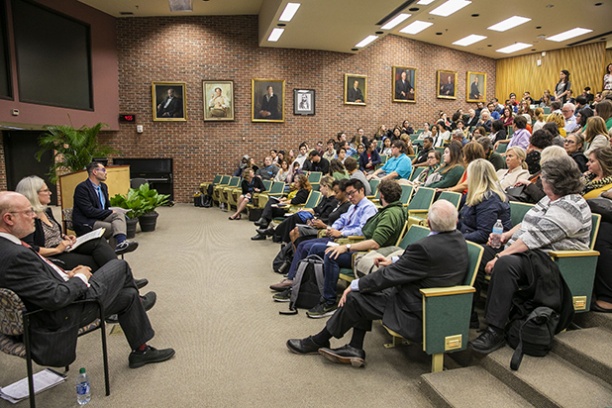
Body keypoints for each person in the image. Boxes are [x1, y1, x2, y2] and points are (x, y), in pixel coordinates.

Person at [0, 191, 175, 369]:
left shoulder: (9, 247)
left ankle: (141, 351)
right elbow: (56, 298)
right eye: (28, 212)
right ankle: (140, 301)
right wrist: (80, 276)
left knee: (127, 295)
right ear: (9, 218)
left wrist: (67, 273)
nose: (33, 216)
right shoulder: (15, 255)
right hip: (65, 313)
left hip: (62, 296)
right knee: (119, 267)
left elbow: (36, 282)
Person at [285, 200, 468, 367]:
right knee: (367, 292)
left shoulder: (425, 248)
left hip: (415, 310)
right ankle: (353, 347)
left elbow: (388, 276)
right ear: (456, 220)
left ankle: (320, 340)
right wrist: (395, 259)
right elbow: (425, 262)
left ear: (428, 222)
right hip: (437, 303)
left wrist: (355, 284)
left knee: (358, 295)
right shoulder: (459, 239)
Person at [470, 156, 591, 354]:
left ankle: (495, 330)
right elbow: (527, 224)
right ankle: (469, 313)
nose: (539, 180)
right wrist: (506, 236)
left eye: (543, 177)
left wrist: (501, 255)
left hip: (549, 264)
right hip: (529, 255)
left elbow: (534, 237)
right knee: (481, 252)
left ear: (554, 181)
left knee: (505, 264)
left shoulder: (572, 205)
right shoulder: (549, 199)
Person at [298, 180, 407, 318]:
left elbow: (375, 243)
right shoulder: (389, 211)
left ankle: (329, 301)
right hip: (364, 247)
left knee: (331, 254)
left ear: (381, 195)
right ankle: (314, 291)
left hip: (371, 253)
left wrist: (346, 247)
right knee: (318, 248)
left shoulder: (391, 213)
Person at [269, 179, 377, 294]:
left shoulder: (368, 208)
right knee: (302, 244)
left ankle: (304, 287)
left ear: (361, 190)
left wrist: (341, 233)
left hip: (348, 242)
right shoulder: (353, 207)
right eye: (348, 194)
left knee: (314, 247)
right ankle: (293, 280)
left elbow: (362, 230)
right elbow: (342, 220)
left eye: (352, 193)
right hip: (338, 239)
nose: (350, 197)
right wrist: (332, 228)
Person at [16, 176, 127, 274]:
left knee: (98, 242)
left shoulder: (46, 211)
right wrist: (57, 250)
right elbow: (30, 248)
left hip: (65, 246)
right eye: (45, 190)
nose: (50, 193)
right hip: (53, 254)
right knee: (97, 260)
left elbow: (54, 231)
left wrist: (64, 236)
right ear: (33, 194)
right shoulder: (28, 218)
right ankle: (123, 279)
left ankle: (123, 275)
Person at [72, 162, 138, 254]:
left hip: (100, 219)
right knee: (113, 228)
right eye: (103, 170)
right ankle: (113, 255)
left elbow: (106, 207)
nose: (106, 172)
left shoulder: (103, 187)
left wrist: (115, 210)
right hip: (87, 222)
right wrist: (110, 212)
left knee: (119, 215)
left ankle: (119, 246)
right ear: (95, 172)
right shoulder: (82, 188)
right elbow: (89, 211)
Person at [267, 176, 338, 243]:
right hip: (315, 219)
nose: (320, 189)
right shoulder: (325, 198)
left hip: (318, 224)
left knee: (296, 219)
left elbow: (324, 218)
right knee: (296, 218)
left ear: (326, 187)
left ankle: (277, 232)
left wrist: (312, 219)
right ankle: (279, 236)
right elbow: (316, 209)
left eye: (321, 187)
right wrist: (304, 210)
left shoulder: (333, 202)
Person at [458, 159, 512, 244]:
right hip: (467, 237)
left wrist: (455, 237)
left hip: (483, 245)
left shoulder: (490, 198)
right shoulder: (473, 195)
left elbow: (484, 234)